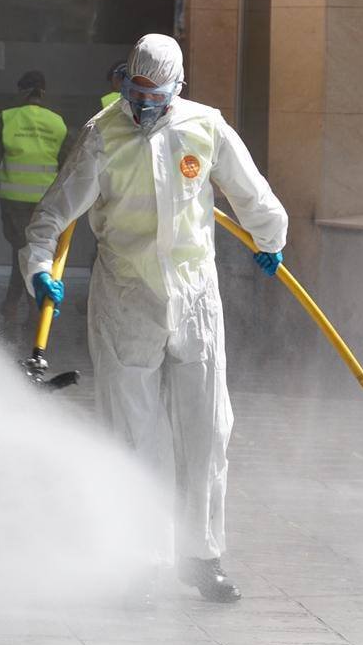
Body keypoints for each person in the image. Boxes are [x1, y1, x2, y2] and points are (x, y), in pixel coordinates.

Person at [20, 34, 287, 604]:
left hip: (195, 300)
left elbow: (251, 191)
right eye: (133, 93)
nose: (140, 107)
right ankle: (137, 563)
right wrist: (40, 267)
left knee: (207, 431)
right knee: (131, 433)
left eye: (153, 96)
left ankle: (201, 557)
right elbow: (53, 213)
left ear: (177, 89)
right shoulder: (101, 136)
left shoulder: (206, 128)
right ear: (123, 84)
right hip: (127, 298)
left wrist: (270, 238)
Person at [0, 70, 70, 324]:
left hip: (14, 199)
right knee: (27, 250)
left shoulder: (8, 118)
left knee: (22, 250)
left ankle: (21, 304)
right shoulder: (56, 122)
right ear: (43, 92)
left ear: (22, 91)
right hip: (46, 201)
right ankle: (23, 304)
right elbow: (69, 161)